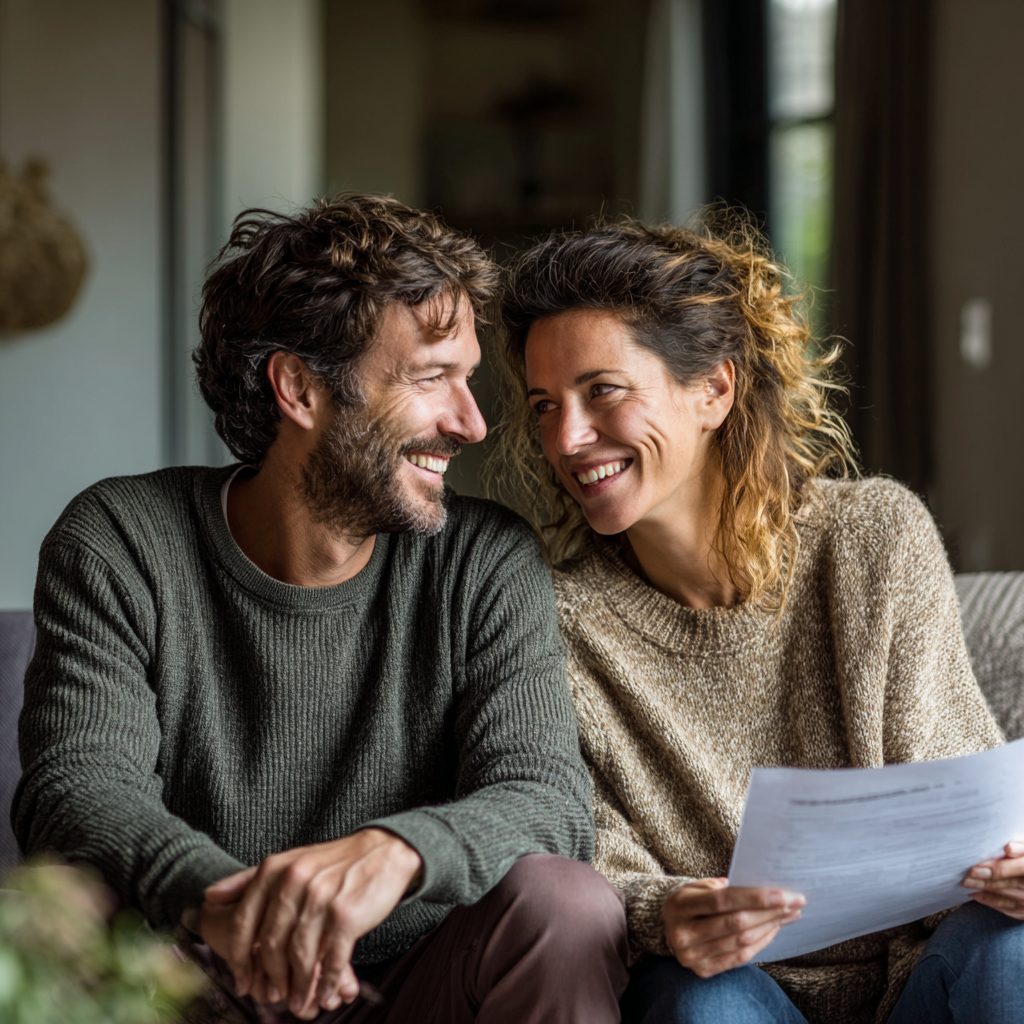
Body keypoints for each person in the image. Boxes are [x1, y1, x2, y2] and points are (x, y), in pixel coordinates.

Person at [13, 194, 628, 1023]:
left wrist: (397, 852)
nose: (473, 423)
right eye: (431, 378)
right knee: (65, 915)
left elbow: (544, 797)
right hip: (196, 979)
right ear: (299, 387)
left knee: (566, 903)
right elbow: (77, 788)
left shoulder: (484, 558)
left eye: (468, 379)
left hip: (417, 988)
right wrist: (237, 911)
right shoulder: (122, 539)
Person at [493, 216, 1024, 1024]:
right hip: (730, 991)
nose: (566, 438)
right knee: (695, 998)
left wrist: (1009, 870)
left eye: (602, 391)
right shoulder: (556, 619)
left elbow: (959, 805)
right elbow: (586, 848)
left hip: (921, 984)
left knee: (1012, 946)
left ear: (714, 389)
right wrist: (664, 913)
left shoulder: (872, 539)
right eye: (544, 405)